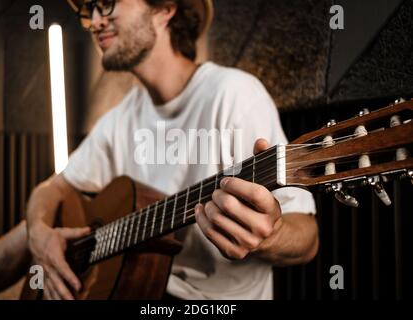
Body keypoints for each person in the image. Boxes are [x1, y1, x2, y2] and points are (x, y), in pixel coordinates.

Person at [27, 0, 319, 300]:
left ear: (164, 9)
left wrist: (271, 237)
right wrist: (38, 234)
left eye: (108, 4)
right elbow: (52, 188)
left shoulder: (235, 95)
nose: (96, 21)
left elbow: (307, 237)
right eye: (90, 11)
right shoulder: (119, 119)